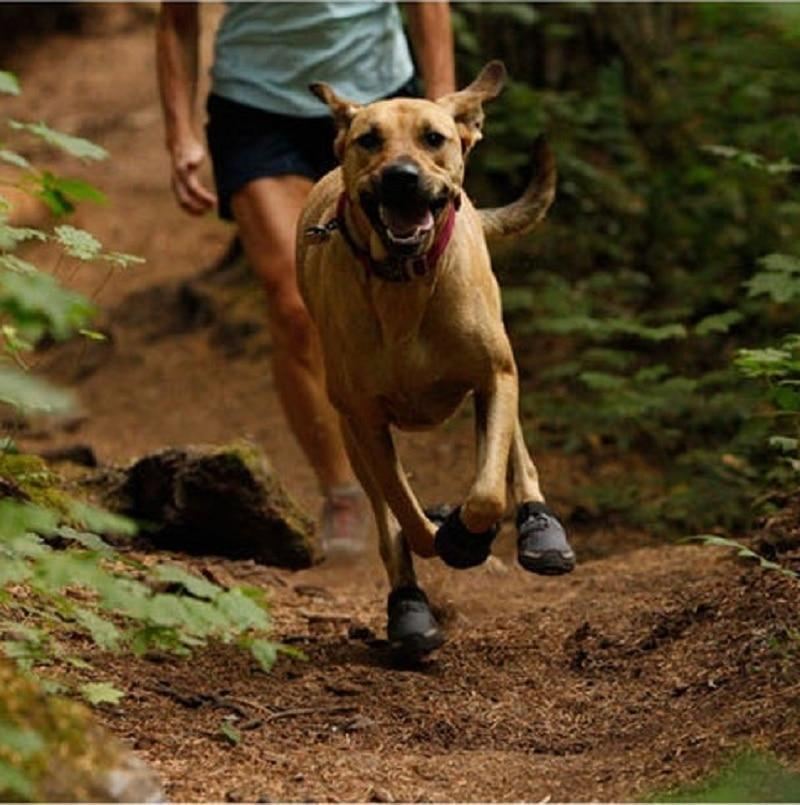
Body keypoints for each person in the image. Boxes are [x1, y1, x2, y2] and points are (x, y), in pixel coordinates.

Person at [156, 2, 455, 555]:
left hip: (387, 107)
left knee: (405, 291)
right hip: (256, 109)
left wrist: (444, 111)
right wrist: (180, 133)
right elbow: (177, 20)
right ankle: (343, 491)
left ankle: (404, 465)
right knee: (295, 305)